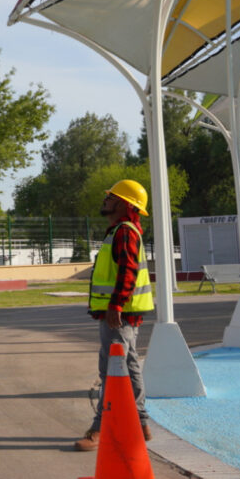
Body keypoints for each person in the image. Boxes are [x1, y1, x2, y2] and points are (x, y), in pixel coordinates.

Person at [74, 179, 155, 452]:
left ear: (124, 204)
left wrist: (116, 305)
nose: (106, 200)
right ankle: (140, 424)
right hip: (119, 314)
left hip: (119, 315)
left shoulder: (124, 232)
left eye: (111, 197)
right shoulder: (119, 231)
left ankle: (100, 429)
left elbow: (127, 271)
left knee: (116, 369)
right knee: (120, 365)